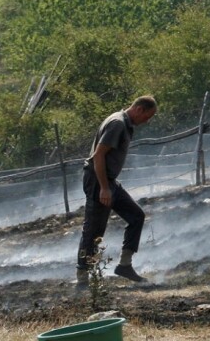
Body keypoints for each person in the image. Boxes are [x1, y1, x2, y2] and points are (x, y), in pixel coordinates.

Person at [77, 96, 157, 283]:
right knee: (94, 229)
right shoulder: (118, 124)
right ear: (139, 109)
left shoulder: (124, 124)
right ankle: (82, 275)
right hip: (98, 180)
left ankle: (125, 265)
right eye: (148, 116)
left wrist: (108, 185)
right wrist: (104, 188)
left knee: (136, 216)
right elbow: (98, 156)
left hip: (108, 180)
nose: (147, 121)